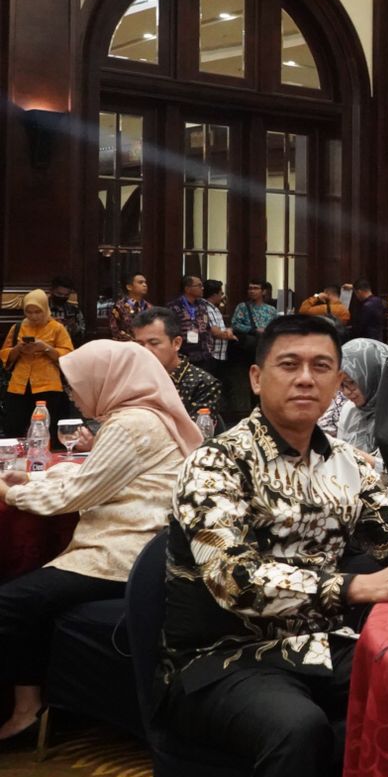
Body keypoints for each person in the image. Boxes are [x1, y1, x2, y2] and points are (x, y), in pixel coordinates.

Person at [160, 314, 388, 777]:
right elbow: (233, 578)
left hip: (321, 644)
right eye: (289, 365)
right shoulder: (216, 463)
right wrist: (354, 586)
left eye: (321, 366)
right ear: (256, 378)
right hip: (220, 657)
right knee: (298, 728)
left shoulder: (346, 461)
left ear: (336, 381)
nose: (306, 378)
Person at [0, 341, 200, 743]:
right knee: (31, 597)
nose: (72, 394)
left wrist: (10, 493)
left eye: (75, 383)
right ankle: (40, 705)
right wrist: (35, 479)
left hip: (121, 556)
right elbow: (99, 476)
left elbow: (77, 495)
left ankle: (26, 710)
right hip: (143, 551)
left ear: (106, 379)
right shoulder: (147, 416)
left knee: (11, 602)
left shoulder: (131, 424)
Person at [130, 307, 224, 426]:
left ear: (176, 343)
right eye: (140, 344)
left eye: (154, 343)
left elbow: (195, 431)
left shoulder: (203, 383)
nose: (146, 350)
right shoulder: (131, 377)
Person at [1, 289, 75, 437]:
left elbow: (68, 356)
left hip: (48, 386)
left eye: (38, 312)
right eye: (29, 312)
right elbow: (5, 355)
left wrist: (45, 348)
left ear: (45, 309)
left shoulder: (57, 328)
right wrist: (18, 348)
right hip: (19, 386)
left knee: (48, 429)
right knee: (14, 428)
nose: (33, 316)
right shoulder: (17, 328)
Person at [334, 338, 388, 459]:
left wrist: (356, 457)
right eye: (341, 385)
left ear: (372, 377)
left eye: (351, 383)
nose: (346, 392)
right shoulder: (350, 410)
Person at [167, 276, 211, 364]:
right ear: (187, 289)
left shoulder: (202, 305)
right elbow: (171, 331)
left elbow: (207, 327)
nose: (202, 288)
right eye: (199, 285)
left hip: (204, 354)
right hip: (184, 355)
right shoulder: (174, 306)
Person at [199, 279, 236, 380]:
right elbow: (215, 332)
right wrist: (230, 336)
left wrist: (228, 330)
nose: (222, 296)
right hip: (211, 355)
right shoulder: (205, 308)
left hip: (219, 354)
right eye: (221, 293)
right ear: (214, 295)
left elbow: (220, 327)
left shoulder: (214, 308)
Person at [230, 279, 279, 344]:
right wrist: (253, 330)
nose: (252, 291)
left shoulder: (271, 310)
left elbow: (276, 326)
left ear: (264, 292)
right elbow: (235, 325)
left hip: (266, 342)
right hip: (249, 343)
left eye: (256, 288)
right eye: (250, 288)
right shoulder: (242, 307)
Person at [108, 271, 152, 342]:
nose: (145, 285)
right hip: (126, 346)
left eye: (145, 282)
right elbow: (114, 330)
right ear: (129, 287)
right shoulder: (118, 307)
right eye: (140, 282)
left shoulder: (149, 307)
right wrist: (136, 341)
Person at [47, 277, 86, 346]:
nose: (62, 297)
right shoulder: (42, 308)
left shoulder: (74, 310)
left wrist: (73, 326)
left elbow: (82, 333)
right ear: (51, 291)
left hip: (68, 346)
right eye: (59, 294)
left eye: (66, 295)